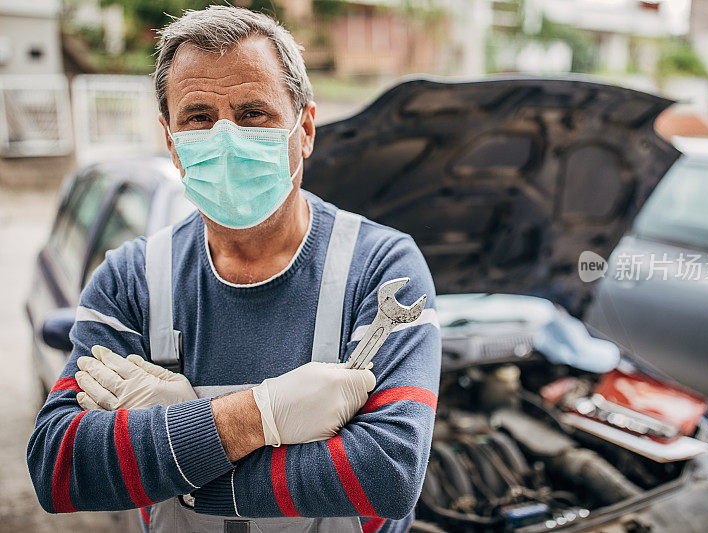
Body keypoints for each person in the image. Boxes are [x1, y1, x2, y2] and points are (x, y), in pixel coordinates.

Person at [27, 6, 441, 533]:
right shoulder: (131, 277)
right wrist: (259, 415)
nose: (226, 139)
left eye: (253, 113)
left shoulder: (379, 267)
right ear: (172, 144)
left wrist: (179, 447)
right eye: (198, 117)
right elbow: (59, 470)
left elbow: (388, 475)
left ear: (306, 129)